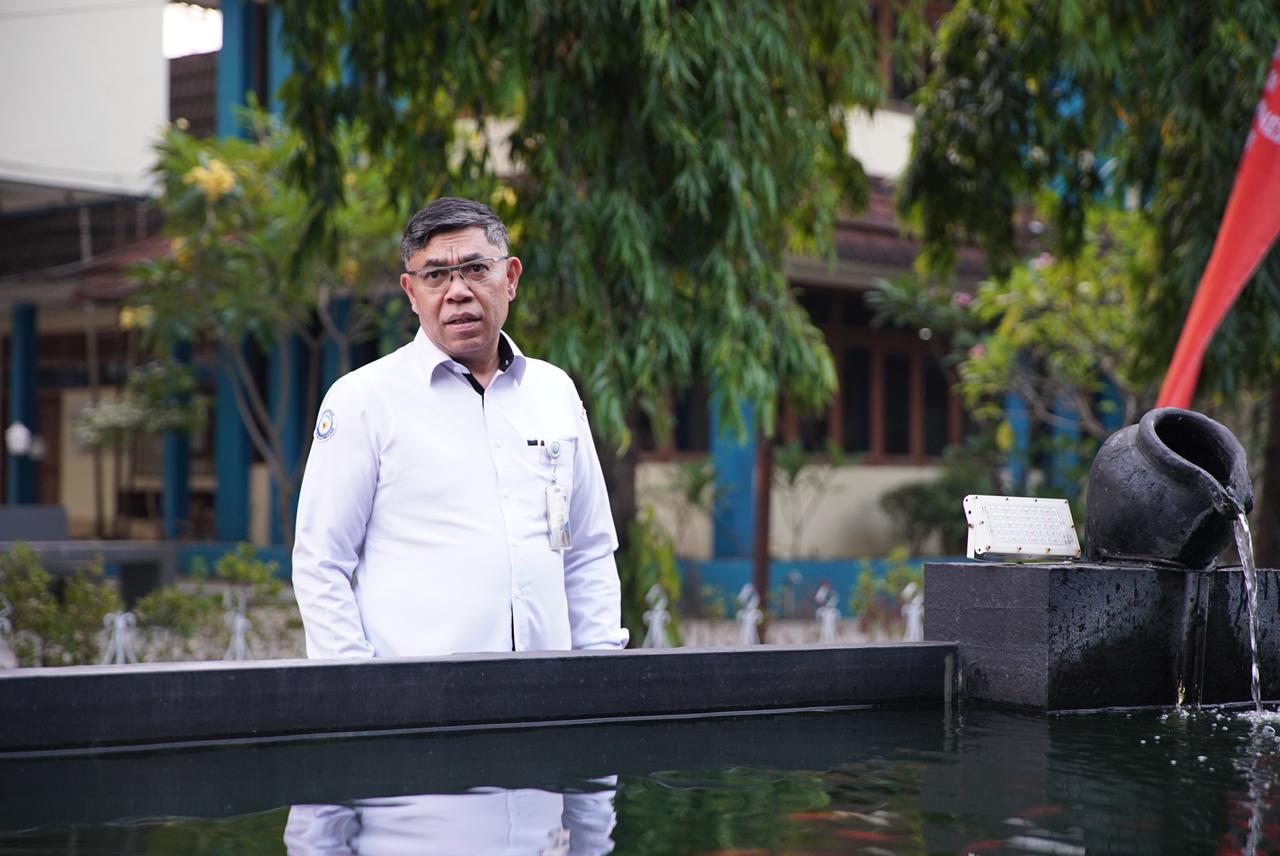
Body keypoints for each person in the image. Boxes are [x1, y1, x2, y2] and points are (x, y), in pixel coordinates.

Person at [292, 197, 629, 658]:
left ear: (509, 278)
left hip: (549, 698)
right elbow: (321, 563)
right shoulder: (363, 402)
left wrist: (600, 668)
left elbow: (588, 548)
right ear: (411, 293)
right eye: (435, 275)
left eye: (475, 269)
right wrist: (359, 693)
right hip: (419, 706)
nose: (457, 291)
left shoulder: (554, 392)